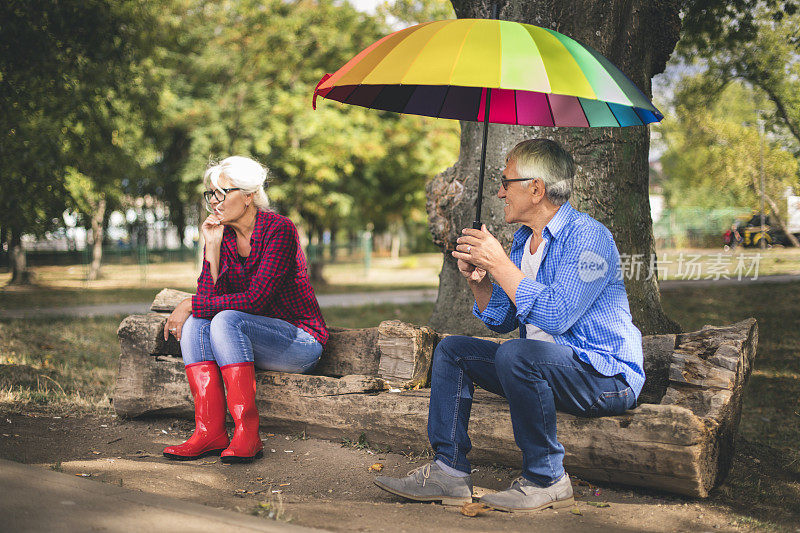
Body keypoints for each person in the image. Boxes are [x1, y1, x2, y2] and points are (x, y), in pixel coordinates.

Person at [374, 139, 644, 512]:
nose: (500, 191)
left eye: (506, 181)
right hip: (540, 367)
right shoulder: (522, 241)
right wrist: (480, 282)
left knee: (518, 355)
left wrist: (500, 265)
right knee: (454, 351)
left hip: (604, 378)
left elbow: (557, 315)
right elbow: (502, 319)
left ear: (536, 189)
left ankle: (547, 479)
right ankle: (448, 472)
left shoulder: (588, 238)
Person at [162, 156, 328, 464]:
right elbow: (209, 298)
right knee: (198, 323)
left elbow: (255, 301)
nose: (214, 202)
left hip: (300, 343)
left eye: (222, 193)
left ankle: (246, 433)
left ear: (249, 195)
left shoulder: (280, 230)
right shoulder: (220, 235)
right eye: (210, 194)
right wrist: (210, 247)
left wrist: (189, 303)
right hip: (246, 339)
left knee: (219, 317)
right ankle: (209, 432)